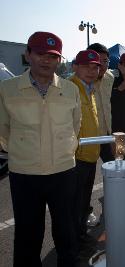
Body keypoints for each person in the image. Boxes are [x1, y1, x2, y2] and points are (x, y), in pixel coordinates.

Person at [0, 31, 81, 267]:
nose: (46, 60)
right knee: (27, 237)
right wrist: (25, 150)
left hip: (63, 171)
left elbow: (75, 127)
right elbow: (3, 131)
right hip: (25, 175)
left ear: (59, 60)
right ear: (28, 55)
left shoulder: (70, 89)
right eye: (40, 54)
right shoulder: (8, 89)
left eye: (53, 56)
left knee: (67, 234)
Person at [69, 50, 102, 253]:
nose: (92, 71)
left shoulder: (90, 88)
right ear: (75, 67)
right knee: (74, 203)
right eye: (86, 66)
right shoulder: (71, 88)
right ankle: (73, 243)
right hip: (76, 158)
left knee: (83, 201)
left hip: (89, 158)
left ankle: (80, 236)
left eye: (95, 67)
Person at [86, 43, 114, 227]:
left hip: (108, 136)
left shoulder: (111, 77)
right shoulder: (82, 80)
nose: (101, 65)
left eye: (105, 61)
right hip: (89, 139)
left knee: (115, 172)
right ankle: (85, 213)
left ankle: (112, 204)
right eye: (97, 61)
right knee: (86, 179)